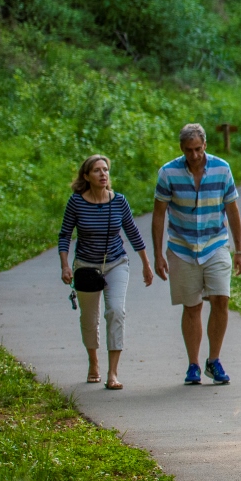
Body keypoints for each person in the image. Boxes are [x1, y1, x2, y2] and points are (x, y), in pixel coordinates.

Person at [152, 123, 241, 386]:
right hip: (182, 246)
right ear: (181, 149)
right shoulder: (168, 173)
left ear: (205, 145)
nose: (194, 155)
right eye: (188, 150)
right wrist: (158, 255)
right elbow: (159, 214)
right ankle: (193, 364)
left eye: (198, 149)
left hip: (215, 244)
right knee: (192, 306)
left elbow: (233, 210)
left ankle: (213, 360)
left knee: (221, 299)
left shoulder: (221, 168)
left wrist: (239, 250)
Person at [58, 155, 153, 389]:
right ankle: (93, 363)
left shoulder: (119, 201)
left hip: (116, 263)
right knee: (89, 319)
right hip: (86, 266)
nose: (103, 174)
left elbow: (132, 232)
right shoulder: (76, 202)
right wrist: (65, 264)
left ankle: (113, 373)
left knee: (116, 311)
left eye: (106, 170)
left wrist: (146, 263)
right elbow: (64, 235)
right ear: (86, 176)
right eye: (97, 171)